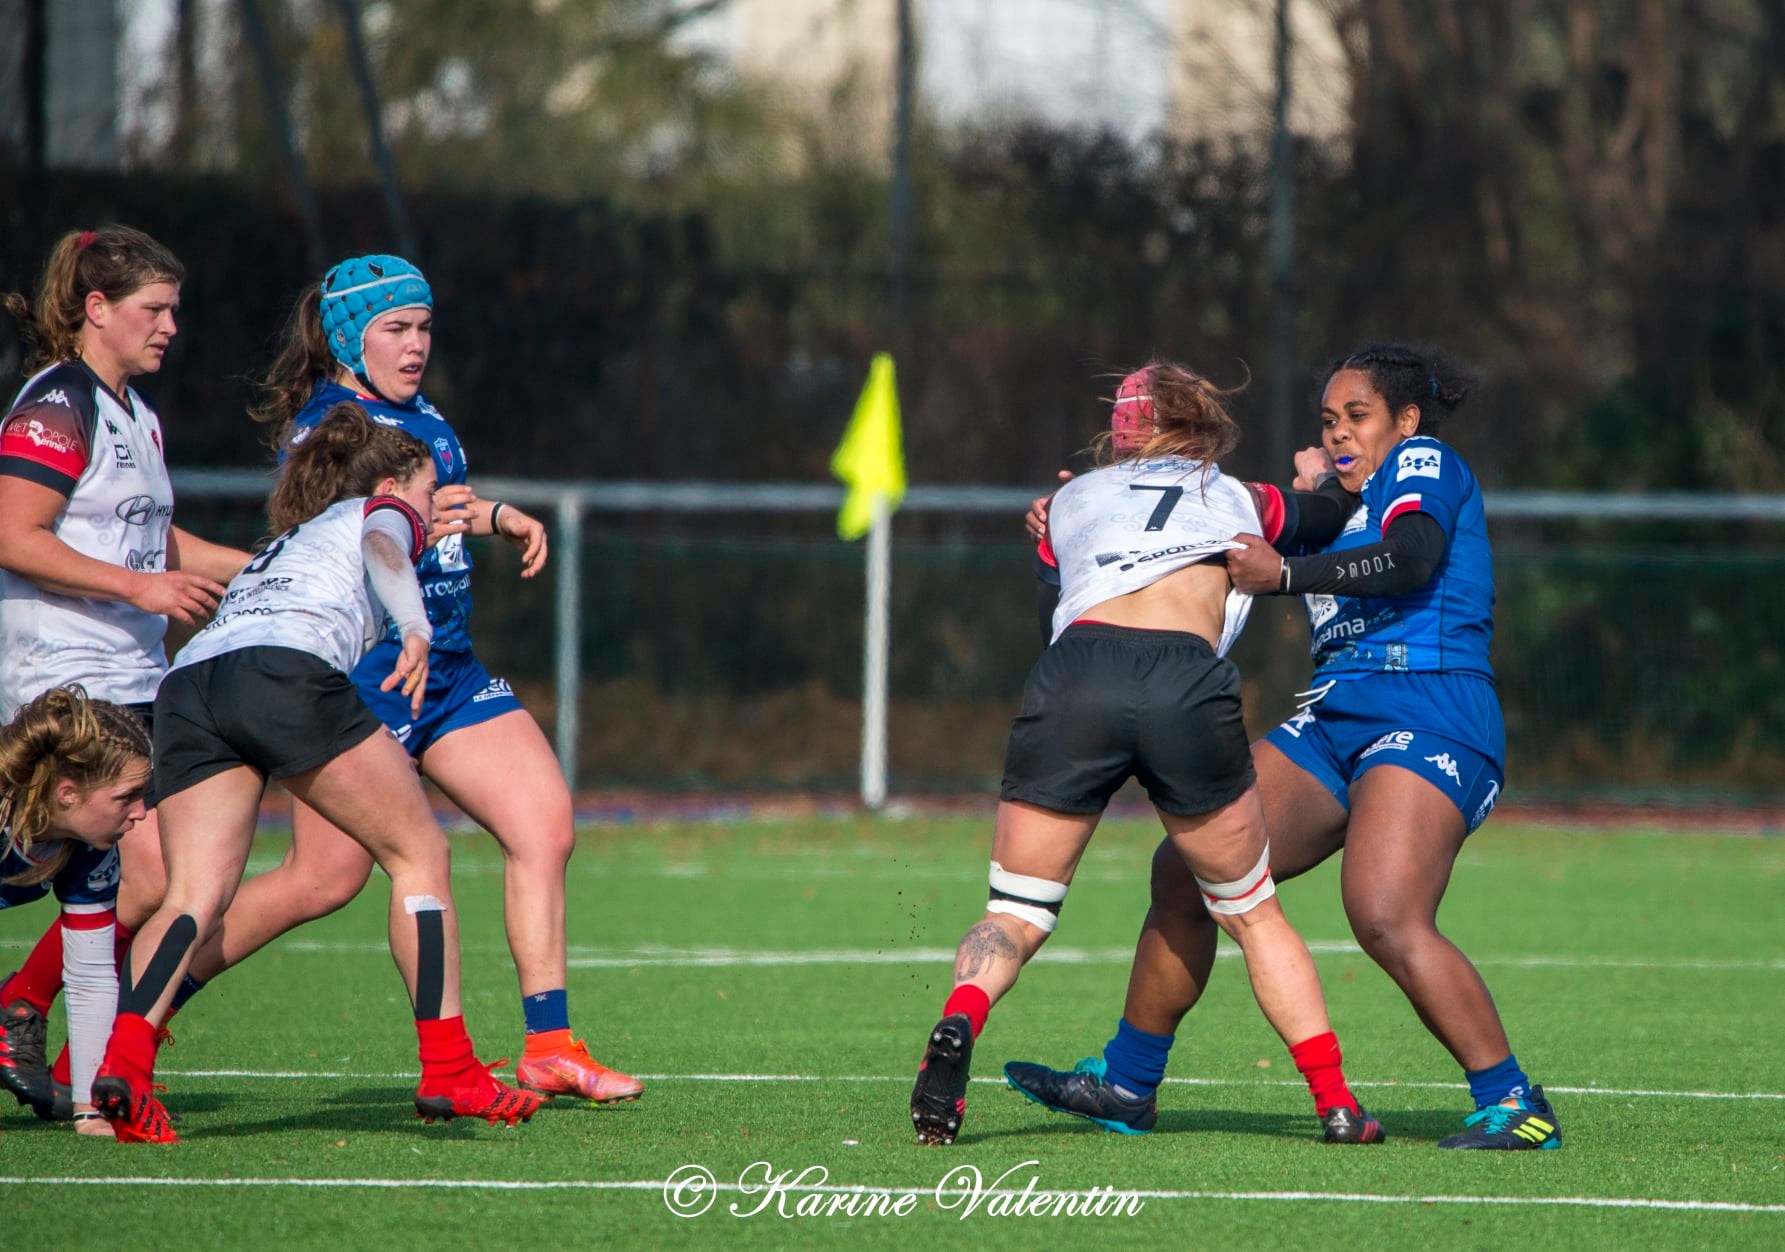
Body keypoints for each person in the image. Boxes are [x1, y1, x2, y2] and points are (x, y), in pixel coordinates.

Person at [1010, 343, 1560, 1151]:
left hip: (1431, 710)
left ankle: (1516, 1104)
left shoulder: (1423, 461)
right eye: (1329, 419)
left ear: (1405, 420)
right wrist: (1082, 522)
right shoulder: (1338, 501)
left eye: (1357, 416)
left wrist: (1288, 572)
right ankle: (1127, 1083)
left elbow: (1411, 560)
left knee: (1383, 912)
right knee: (1185, 871)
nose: (1339, 432)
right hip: (1338, 717)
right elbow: (1178, 564)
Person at [164, 255, 640, 1105]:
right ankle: (141, 1009)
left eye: (423, 327)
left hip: (448, 668)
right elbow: (340, 541)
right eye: (395, 329)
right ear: (350, 336)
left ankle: (550, 1043)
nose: (415, 344)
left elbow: (433, 508)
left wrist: (492, 515)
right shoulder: (329, 429)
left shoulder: (426, 420)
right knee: (323, 880)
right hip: (366, 680)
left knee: (543, 822)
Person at [910, 364, 1382, 1147]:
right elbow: (1326, 518)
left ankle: (960, 1017)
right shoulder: (1238, 495)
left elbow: (1051, 618)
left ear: (1119, 433)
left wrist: (1059, 524)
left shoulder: (1068, 501)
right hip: (1180, 679)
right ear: (1201, 425)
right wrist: (1318, 480)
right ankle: (1335, 1104)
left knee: (1015, 912)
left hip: (1077, 675)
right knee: (1254, 914)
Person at [89, 403, 544, 1143]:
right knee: (419, 854)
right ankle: (450, 1068)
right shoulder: (384, 507)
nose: (430, 510)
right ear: (396, 481)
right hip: (284, 673)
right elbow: (385, 545)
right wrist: (416, 625)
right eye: (429, 493)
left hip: (195, 678)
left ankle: (123, 1067)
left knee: (193, 894)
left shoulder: (292, 540)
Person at [0, 225, 248, 1116]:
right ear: (95, 309)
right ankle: (32, 1019)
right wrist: (141, 590)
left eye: (175, 309)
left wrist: (257, 566)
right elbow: (12, 532)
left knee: (146, 880)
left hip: (135, 676)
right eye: (155, 308)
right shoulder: (59, 399)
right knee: (140, 877)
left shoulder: (134, 411)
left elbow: (150, 535)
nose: (172, 326)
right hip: (68, 677)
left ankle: (50, 1036)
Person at [0, 687, 152, 1134]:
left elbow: (89, 975)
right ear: (67, 794)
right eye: (127, 797)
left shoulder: (89, 846)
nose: (141, 812)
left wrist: (91, 1109)